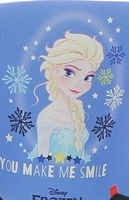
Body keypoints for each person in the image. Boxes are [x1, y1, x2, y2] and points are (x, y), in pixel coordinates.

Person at [31, 31, 104, 161]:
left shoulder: (77, 111)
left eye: (88, 77)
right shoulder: (47, 116)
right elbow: (41, 158)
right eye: (69, 73)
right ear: (55, 69)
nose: (78, 85)